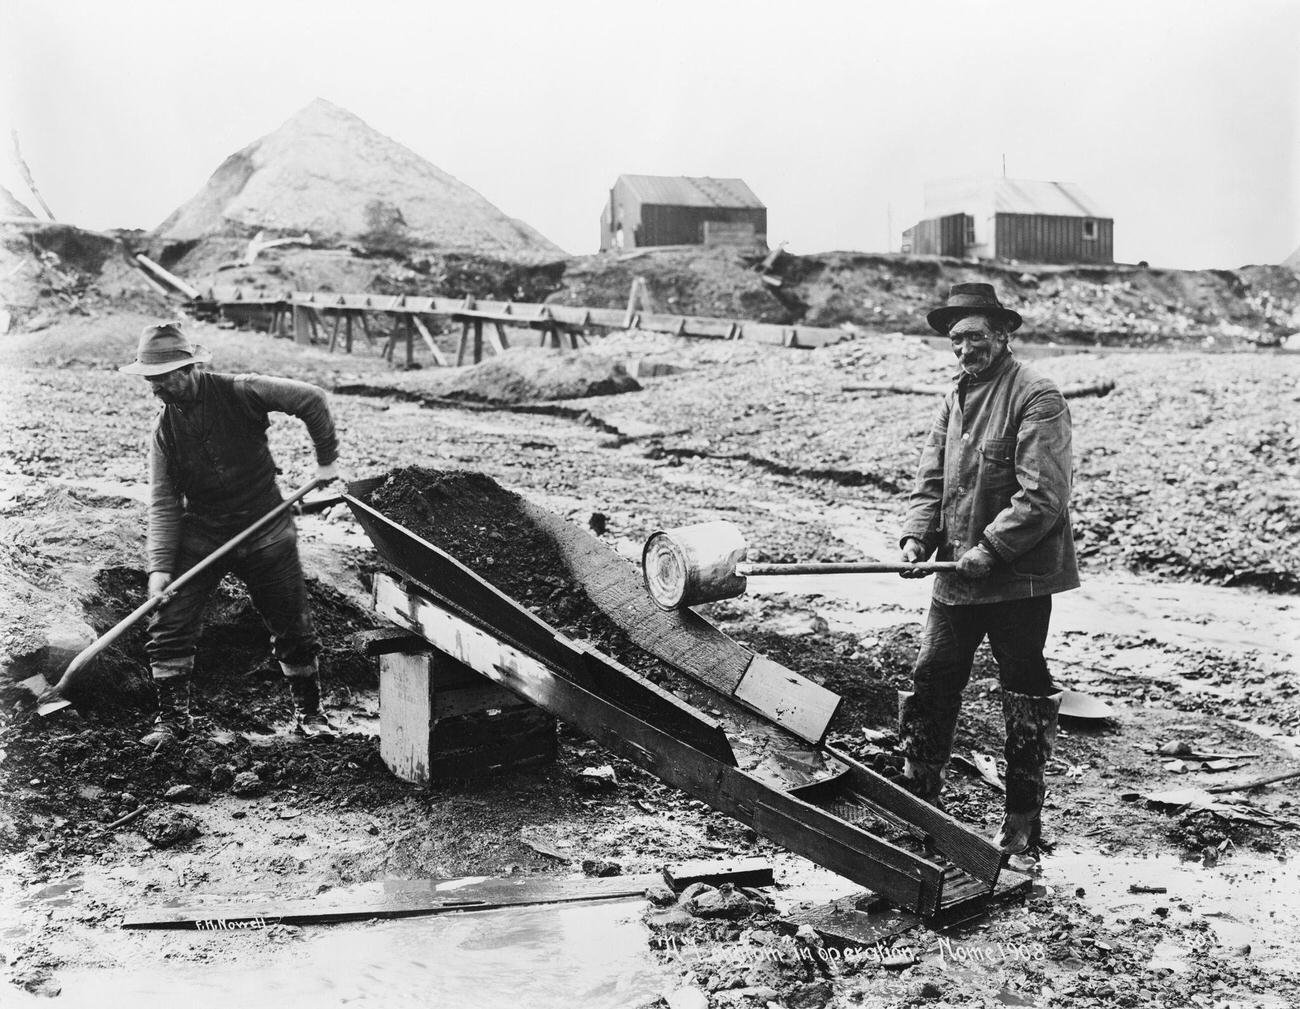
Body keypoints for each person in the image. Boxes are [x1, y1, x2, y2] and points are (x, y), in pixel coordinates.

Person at [897, 282, 1078, 870]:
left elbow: (1043, 497)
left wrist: (992, 548)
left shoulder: (1037, 396)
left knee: (1023, 687)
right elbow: (930, 479)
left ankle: (1023, 823)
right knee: (932, 677)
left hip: (1017, 578)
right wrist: (917, 536)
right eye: (956, 340)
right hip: (957, 576)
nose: (965, 349)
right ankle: (919, 805)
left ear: (1003, 334)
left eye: (975, 336)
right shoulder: (954, 399)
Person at [120, 322, 343, 744]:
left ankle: (310, 715)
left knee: (291, 621)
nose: (154, 390)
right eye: (149, 380)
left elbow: (312, 399)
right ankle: (173, 721)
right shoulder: (164, 432)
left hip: (266, 526)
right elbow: (165, 502)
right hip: (205, 532)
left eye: (160, 379)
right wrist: (159, 569)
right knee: (170, 620)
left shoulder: (241, 391)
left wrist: (326, 461)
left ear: (187, 370)